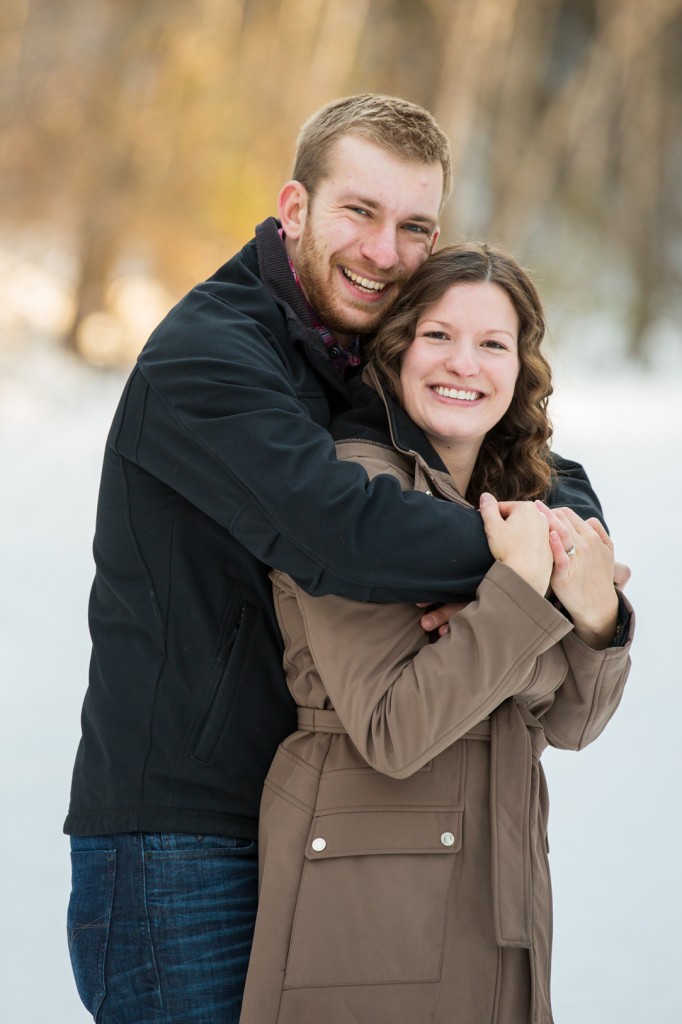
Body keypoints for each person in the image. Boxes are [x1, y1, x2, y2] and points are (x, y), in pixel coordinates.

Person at [64, 96, 614, 1024]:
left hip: (287, 821)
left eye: (414, 227)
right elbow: (338, 533)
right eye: (358, 212)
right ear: (294, 209)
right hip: (176, 841)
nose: (385, 251)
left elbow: (535, 459)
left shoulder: (344, 351)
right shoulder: (209, 356)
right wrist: (522, 567)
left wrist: (566, 536)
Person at [239, 243, 633, 1024]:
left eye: (493, 344)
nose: (466, 363)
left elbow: (573, 723)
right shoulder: (353, 489)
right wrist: (523, 598)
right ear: (397, 348)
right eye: (438, 336)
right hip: (369, 901)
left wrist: (593, 617)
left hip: (501, 888)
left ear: (520, 369)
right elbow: (396, 728)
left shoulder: (525, 499)